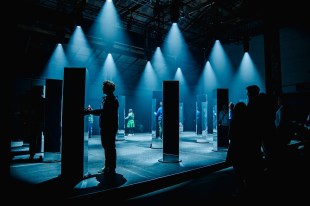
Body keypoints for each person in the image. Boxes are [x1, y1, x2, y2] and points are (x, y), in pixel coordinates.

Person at [84, 80, 119, 176]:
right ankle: (107, 166)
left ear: (108, 89)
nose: (102, 89)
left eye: (104, 87)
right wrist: (92, 111)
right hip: (104, 126)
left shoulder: (113, 100)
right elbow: (102, 111)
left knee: (110, 147)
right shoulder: (106, 99)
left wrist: (90, 112)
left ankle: (112, 168)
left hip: (110, 127)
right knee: (106, 147)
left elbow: (104, 112)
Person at [226, 101, 248, 197]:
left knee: (238, 171)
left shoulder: (235, 121)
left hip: (236, 149)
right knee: (246, 169)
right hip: (246, 149)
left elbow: (230, 136)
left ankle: (240, 190)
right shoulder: (248, 121)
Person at [28, 86, 45, 160]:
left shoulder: (33, 101)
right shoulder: (43, 101)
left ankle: (32, 154)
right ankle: (44, 152)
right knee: (41, 137)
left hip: (35, 122)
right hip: (42, 121)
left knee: (33, 138)